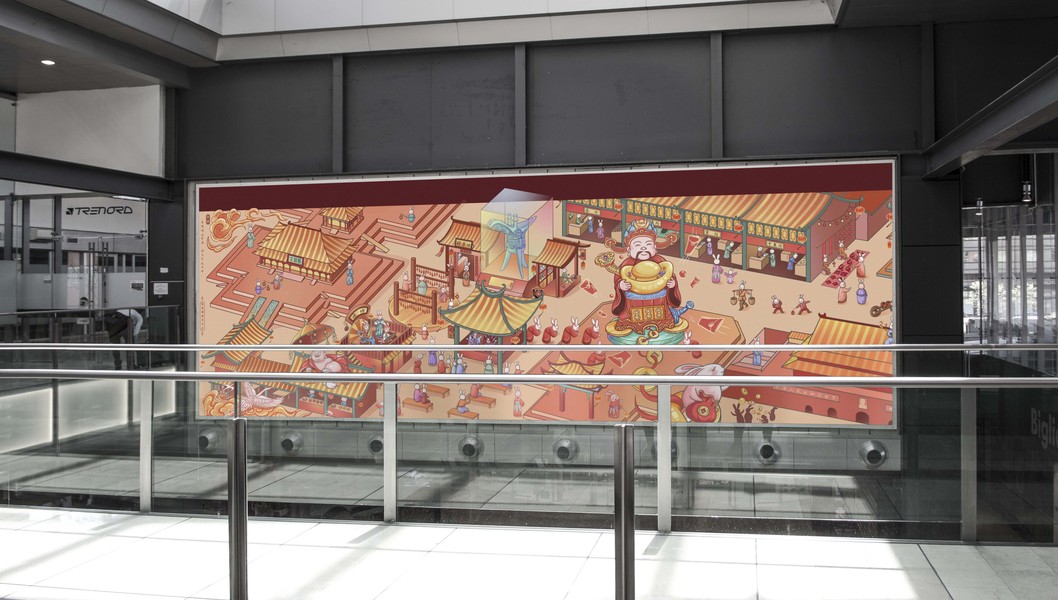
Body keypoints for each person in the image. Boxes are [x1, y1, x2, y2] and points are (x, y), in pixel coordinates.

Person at [612, 220, 682, 334]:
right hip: (634, 300)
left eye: (648, 244)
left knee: (661, 314)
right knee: (630, 316)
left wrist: (672, 285)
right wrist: (620, 285)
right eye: (638, 245)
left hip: (658, 299)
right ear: (629, 249)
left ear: (655, 247)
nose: (643, 248)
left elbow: (670, 275)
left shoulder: (660, 261)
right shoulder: (627, 264)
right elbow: (618, 278)